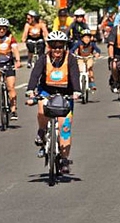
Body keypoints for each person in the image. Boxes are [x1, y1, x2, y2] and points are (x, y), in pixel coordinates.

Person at [25, 31, 80, 174]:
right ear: (49, 47)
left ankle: (64, 159)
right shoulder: (43, 59)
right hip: (46, 91)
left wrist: (77, 92)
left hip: (65, 94)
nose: (57, 49)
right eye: (54, 46)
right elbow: (35, 76)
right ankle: (42, 131)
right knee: (41, 108)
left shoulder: (71, 59)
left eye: (60, 46)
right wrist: (30, 90)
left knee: (65, 128)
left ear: (65, 47)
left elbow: (75, 76)